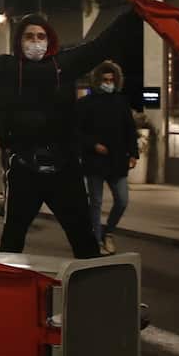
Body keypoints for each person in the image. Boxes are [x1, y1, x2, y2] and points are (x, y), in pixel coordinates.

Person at [0, 0, 140, 257]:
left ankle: (90, 283)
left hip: (65, 169)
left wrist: (134, 14)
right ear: (19, 41)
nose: (35, 41)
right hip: (25, 169)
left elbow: (102, 45)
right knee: (11, 243)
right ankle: (9, 284)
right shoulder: (6, 68)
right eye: (29, 36)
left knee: (84, 243)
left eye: (41, 36)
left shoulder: (65, 65)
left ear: (49, 40)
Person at [77, 61, 139, 254]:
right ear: (97, 81)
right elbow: (76, 131)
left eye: (111, 80)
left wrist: (133, 153)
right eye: (105, 80)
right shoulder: (86, 103)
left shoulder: (121, 102)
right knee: (95, 203)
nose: (108, 83)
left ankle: (108, 232)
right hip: (94, 161)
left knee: (122, 200)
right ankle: (96, 241)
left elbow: (130, 129)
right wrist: (93, 145)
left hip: (117, 160)